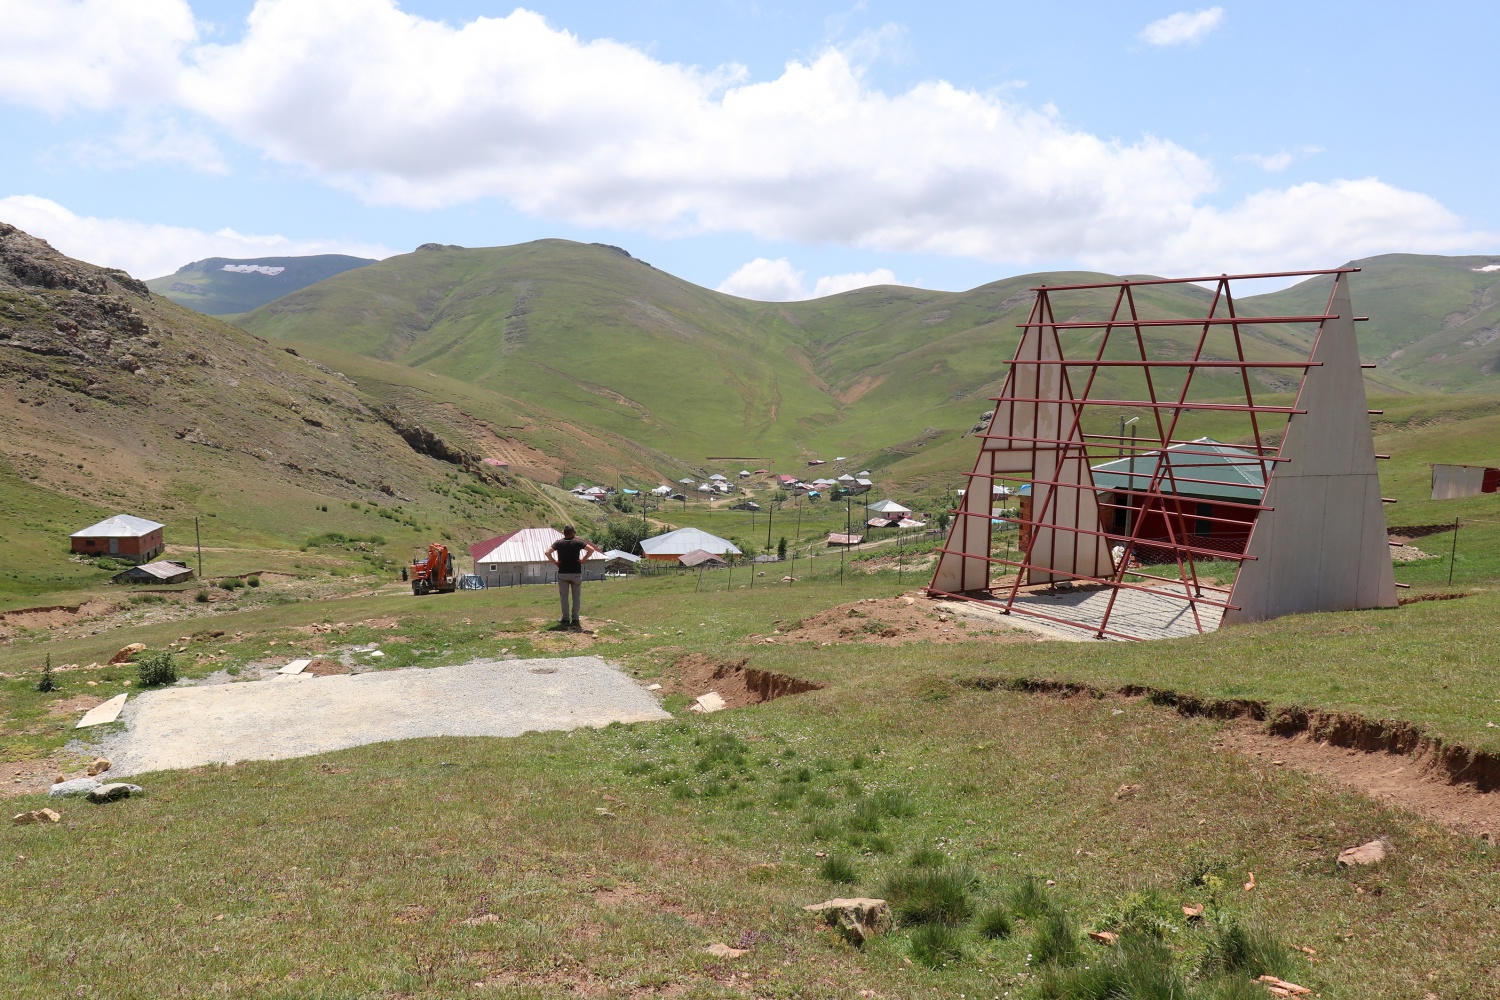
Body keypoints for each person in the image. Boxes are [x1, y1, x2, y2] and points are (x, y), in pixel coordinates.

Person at [546, 526, 601, 628]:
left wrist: (555, 562)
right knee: (576, 596)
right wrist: (584, 559)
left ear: (564, 533)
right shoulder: (577, 542)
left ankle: (565, 618)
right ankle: (575, 618)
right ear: (572, 533)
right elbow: (591, 550)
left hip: (563, 573)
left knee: (564, 597)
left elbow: (547, 552)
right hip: (576, 572)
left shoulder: (558, 543)